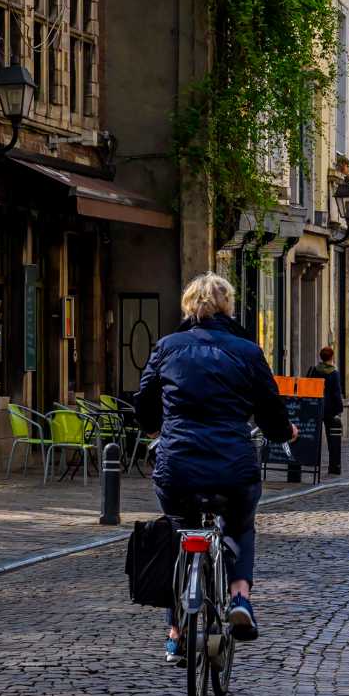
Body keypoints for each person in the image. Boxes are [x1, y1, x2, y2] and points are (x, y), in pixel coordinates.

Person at [134, 272, 294, 662]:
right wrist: (285, 430)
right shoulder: (246, 351)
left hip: (178, 464)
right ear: (227, 307)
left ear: (189, 307)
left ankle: (175, 631)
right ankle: (240, 596)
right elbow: (270, 410)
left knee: (177, 531)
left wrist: (157, 425)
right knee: (240, 526)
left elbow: (144, 406)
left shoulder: (168, 347)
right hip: (231, 464)